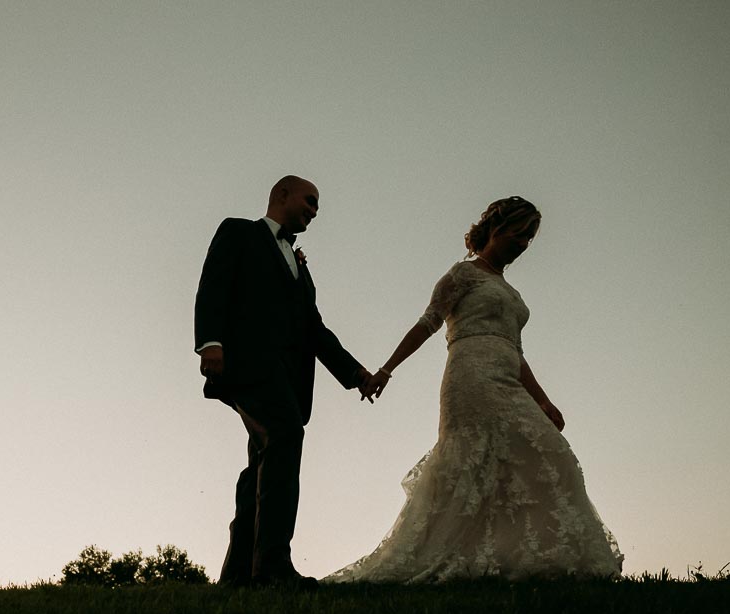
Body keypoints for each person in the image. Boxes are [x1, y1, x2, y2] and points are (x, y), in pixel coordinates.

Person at [328, 197, 622, 583]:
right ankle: (447, 554)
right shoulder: (462, 275)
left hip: (507, 374)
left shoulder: (509, 290)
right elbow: (427, 323)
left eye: (531, 238)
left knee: (550, 453)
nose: (524, 245)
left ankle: (519, 556)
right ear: (497, 231)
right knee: (474, 460)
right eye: (520, 234)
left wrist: (544, 400)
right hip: (471, 377)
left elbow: (516, 352)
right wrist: (386, 369)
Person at [195, 175, 375, 588]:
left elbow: (315, 330)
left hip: (284, 379)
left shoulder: (302, 271)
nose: (314, 211)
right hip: (245, 365)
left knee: (261, 463)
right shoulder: (238, 231)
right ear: (282, 194)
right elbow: (213, 285)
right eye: (310, 201)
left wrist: (354, 373)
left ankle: (238, 573)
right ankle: (273, 565)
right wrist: (211, 343)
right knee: (285, 434)